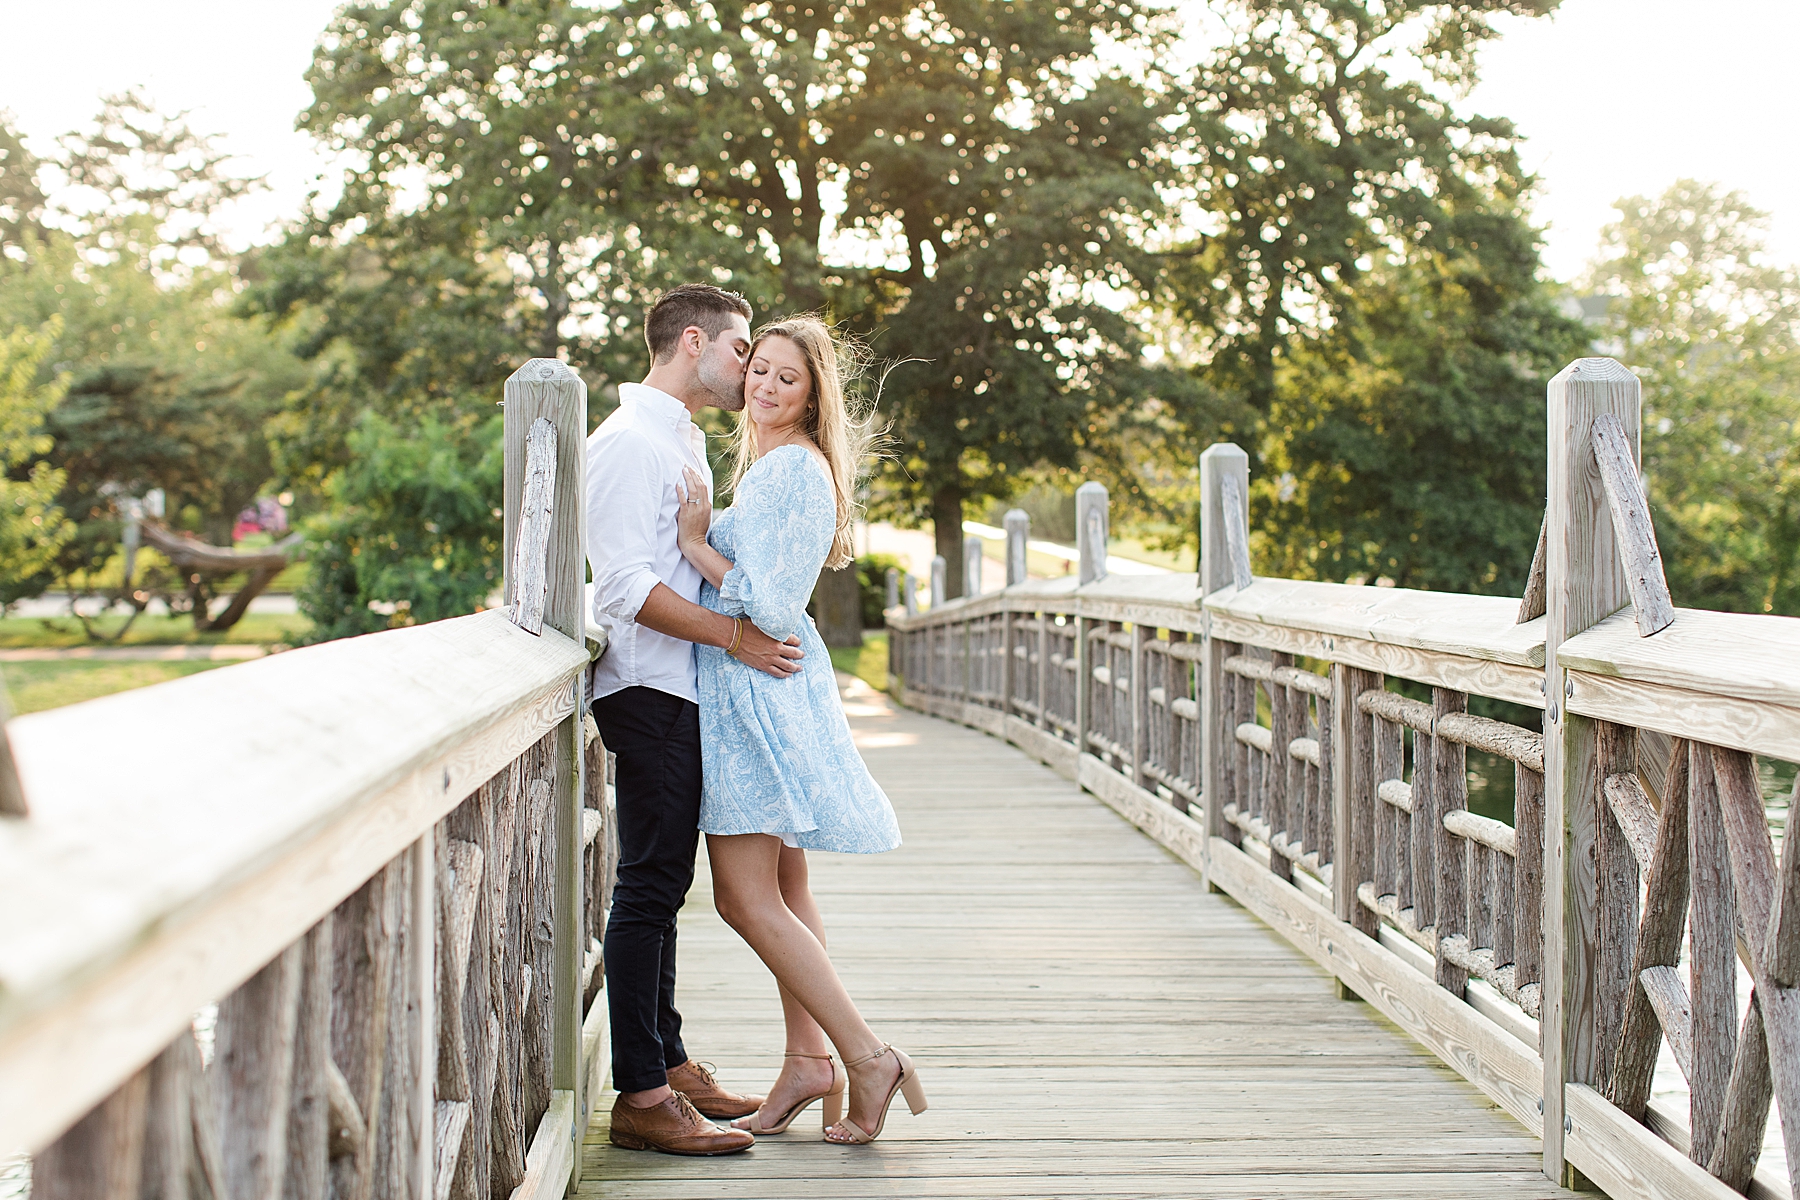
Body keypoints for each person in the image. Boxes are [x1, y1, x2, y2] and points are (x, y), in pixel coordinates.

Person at [674, 316, 928, 1145]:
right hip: (765, 687)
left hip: (756, 695)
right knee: (786, 888)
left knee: (744, 899)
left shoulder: (789, 469)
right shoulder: (783, 467)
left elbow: (772, 604)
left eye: (788, 377)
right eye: (760, 371)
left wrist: (694, 544)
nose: (766, 386)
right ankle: (806, 1061)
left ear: (814, 394)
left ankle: (865, 1055)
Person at [585, 284, 806, 1156]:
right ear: (691, 341)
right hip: (647, 689)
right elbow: (626, 589)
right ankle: (641, 1097)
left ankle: (669, 1065)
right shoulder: (628, 442)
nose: (749, 364)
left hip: (686, 689)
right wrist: (737, 639)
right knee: (647, 886)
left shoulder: (677, 439)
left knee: (664, 886)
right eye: (739, 346)